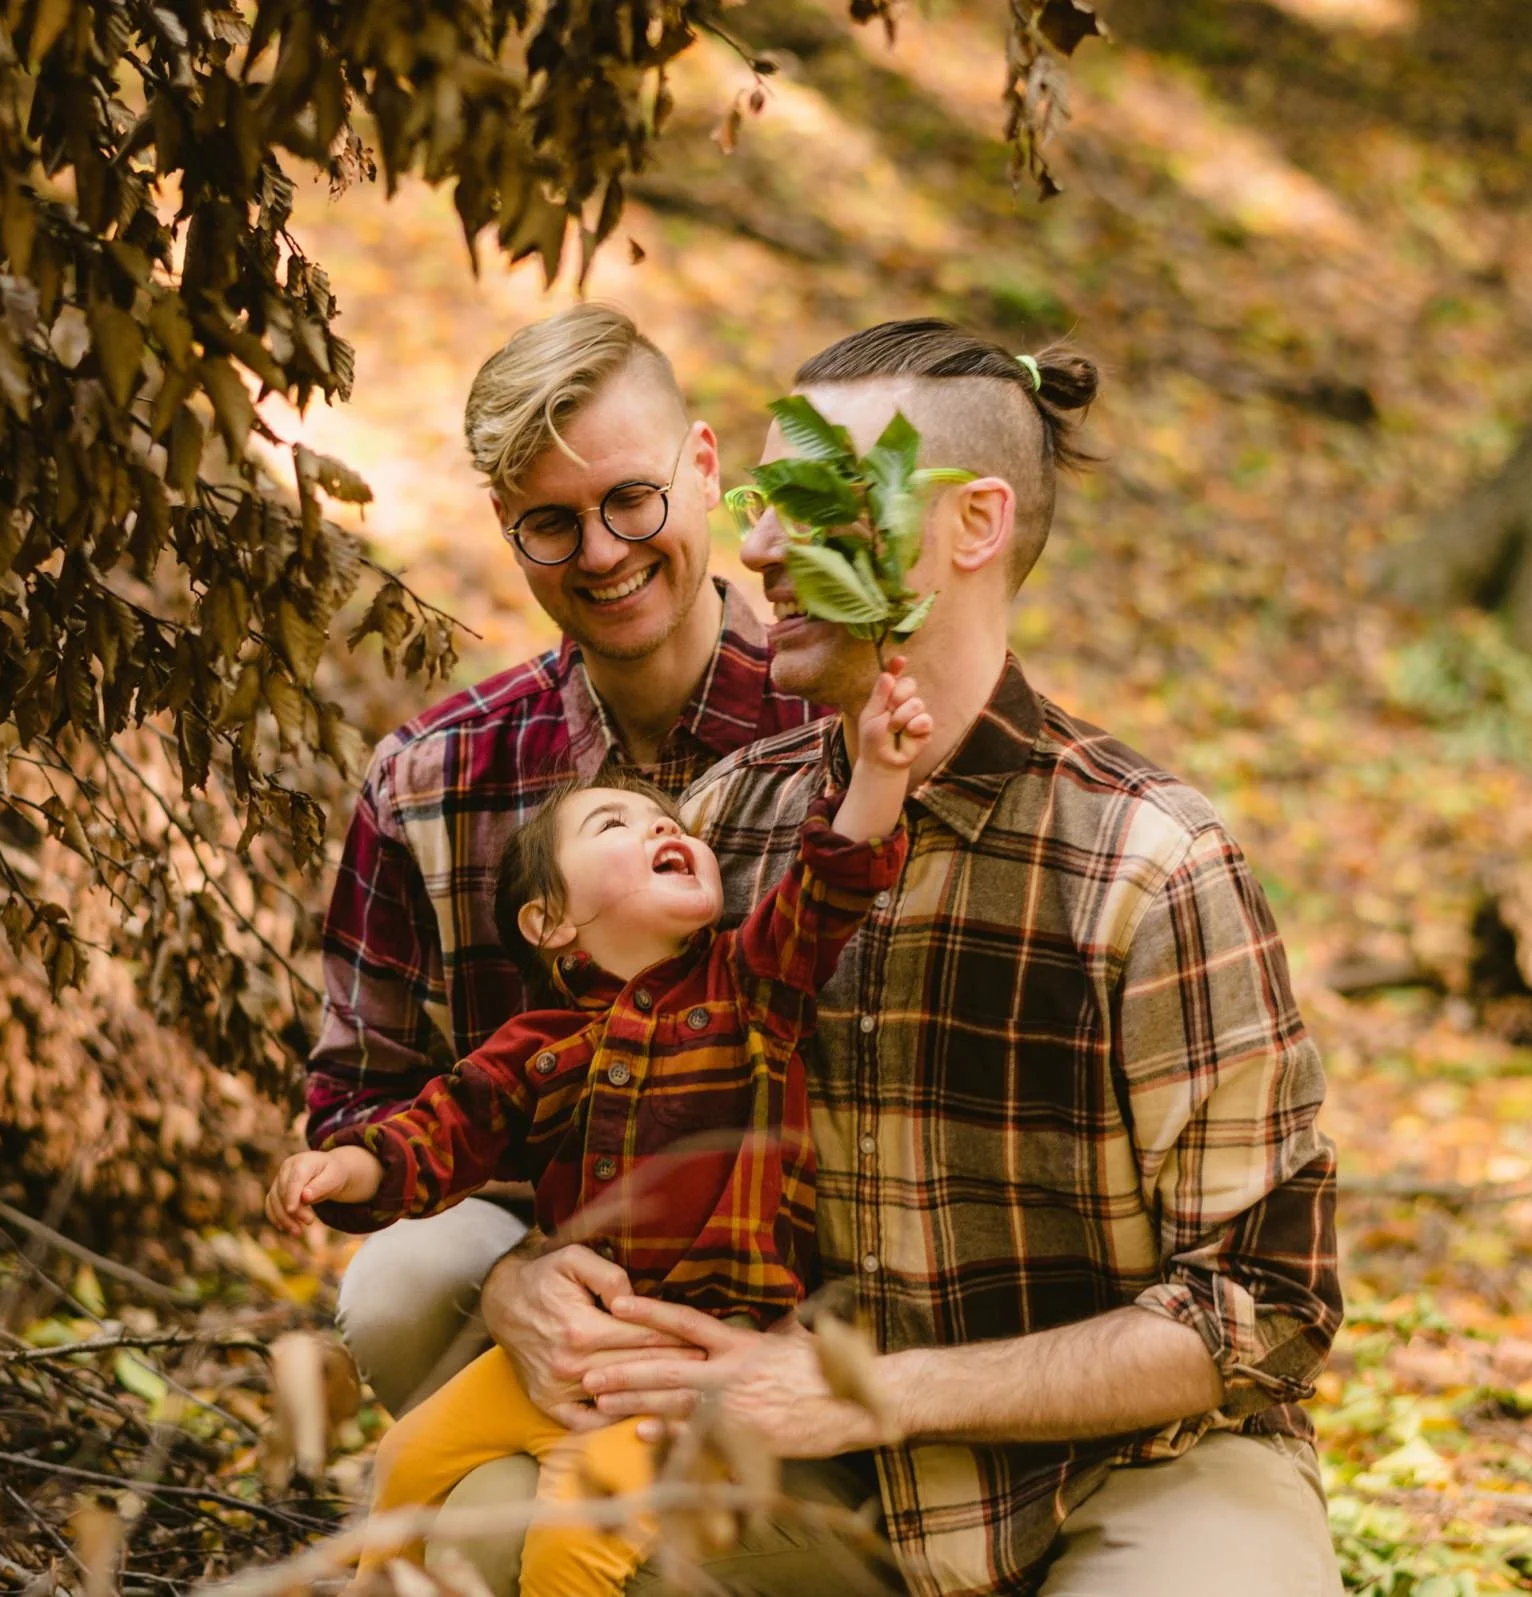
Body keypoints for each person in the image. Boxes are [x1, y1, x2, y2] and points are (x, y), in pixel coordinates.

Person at [476, 321, 1343, 1597]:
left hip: (1130, 1466)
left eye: (818, 497)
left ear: (973, 524)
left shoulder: (1151, 867)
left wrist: (873, 1392)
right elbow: (588, 1112)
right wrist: (522, 1278)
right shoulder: (725, 831)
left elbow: (1264, 1305)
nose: (759, 548)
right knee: (487, 1524)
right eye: (764, 500)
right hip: (826, 1480)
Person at [271, 664, 930, 1597]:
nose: (662, 829)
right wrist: (348, 1168)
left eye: (671, 824)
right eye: (615, 824)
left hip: (692, 1368)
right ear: (549, 921)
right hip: (572, 1345)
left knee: (571, 1549)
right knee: (407, 1461)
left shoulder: (748, 986)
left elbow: (828, 887)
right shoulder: (538, 1046)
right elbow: (443, 1130)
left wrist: (879, 771)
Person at [305, 304, 814, 1421]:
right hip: (560, 1240)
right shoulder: (432, 780)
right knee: (398, 1287)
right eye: (550, 522)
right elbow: (355, 1105)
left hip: (797, 1260)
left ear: (703, 466)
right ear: (505, 522)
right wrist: (506, 1281)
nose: (601, 554)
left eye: (632, 499)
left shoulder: (838, 726)